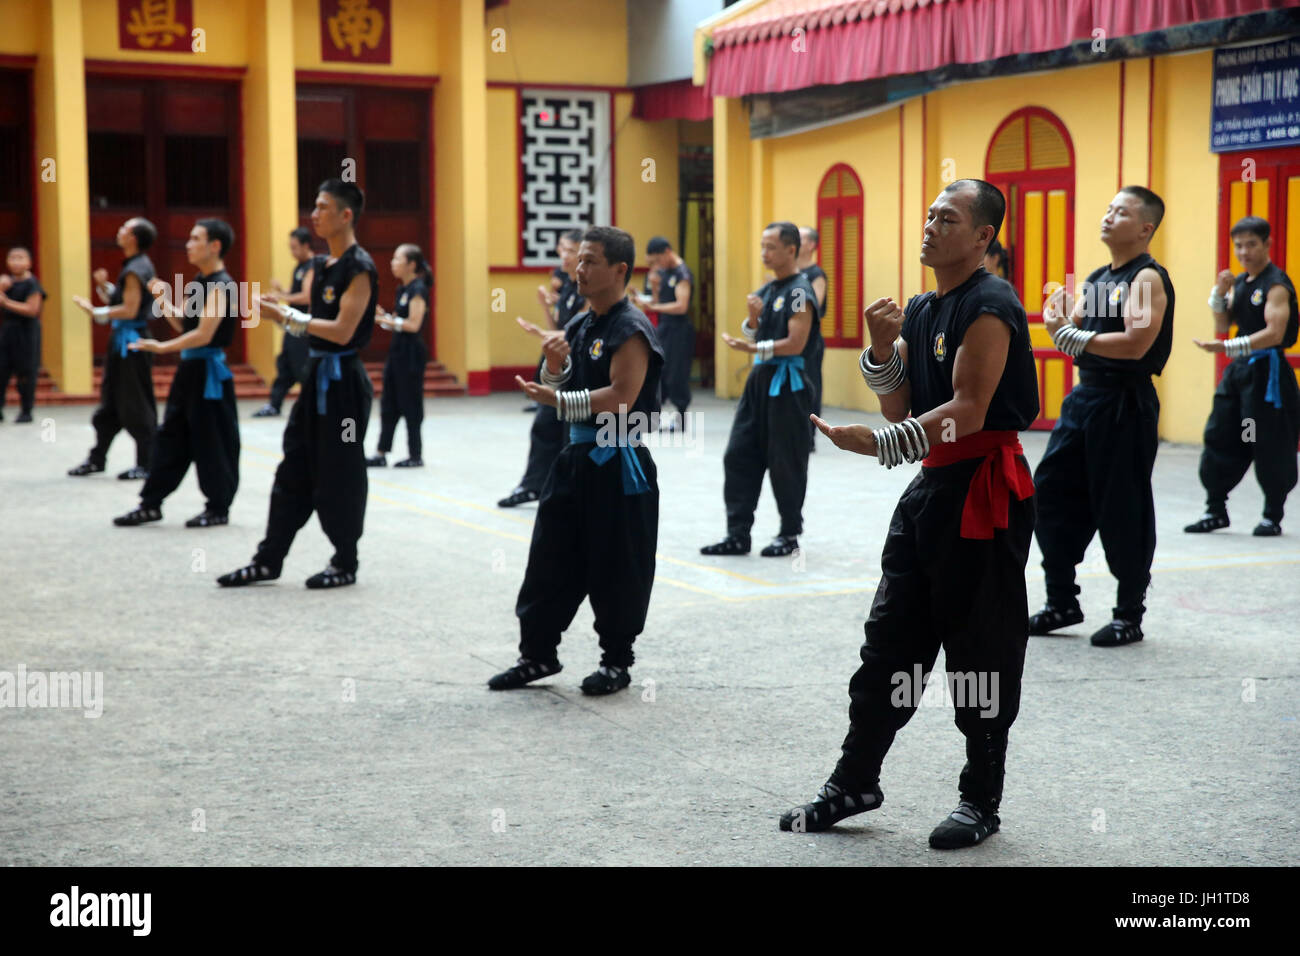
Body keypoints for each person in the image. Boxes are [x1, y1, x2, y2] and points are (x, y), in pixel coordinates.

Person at [780, 179, 1039, 849]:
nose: (929, 226)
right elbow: (901, 408)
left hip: (983, 494)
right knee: (891, 641)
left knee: (981, 650)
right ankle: (854, 779)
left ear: (982, 237)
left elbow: (968, 412)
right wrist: (884, 349)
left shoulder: (991, 302)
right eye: (928, 214)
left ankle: (980, 799)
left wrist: (878, 445)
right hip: (930, 490)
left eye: (947, 219)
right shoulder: (924, 307)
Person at [489, 226, 664, 696]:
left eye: (589, 261)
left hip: (619, 460)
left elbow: (623, 397)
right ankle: (537, 654)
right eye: (578, 260)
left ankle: (616, 661)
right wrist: (551, 366)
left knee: (616, 564)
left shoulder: (632, 328)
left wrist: (557, 398)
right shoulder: (581, 323)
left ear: (619, 271)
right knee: (550, 556)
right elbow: (562, 379)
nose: (578, 269)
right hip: (575, 457)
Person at [1030, 186, 1175, 647]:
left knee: (1123, 505)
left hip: (1124, 403)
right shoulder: (1095, 278)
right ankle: (1062, 601)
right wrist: (1058, 326)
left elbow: (1135, 344)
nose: (1109, 217)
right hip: (1084, 400)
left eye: (1122, 212)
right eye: (1108, 208)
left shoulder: (1147, 278)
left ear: (1145, 228)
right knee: (1050, 493)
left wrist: (1070, 336)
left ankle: (1128, 613)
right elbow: (1069, 333)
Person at [217, 179, 378, 590]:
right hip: (316, 380)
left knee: (339, 472)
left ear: (345, 215)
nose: (315, 214)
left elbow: (342, 332)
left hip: (344, 386)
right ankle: (268, 559)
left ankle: (345, 560)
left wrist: (286, 317)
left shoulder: (360, 266)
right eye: (314, 206)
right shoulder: (321, 266)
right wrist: (287, 313)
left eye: (323, 207)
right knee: (293, 469)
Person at [112, 220, 241, 528]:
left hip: (210, 374)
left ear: (215, 246)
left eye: (195, 239)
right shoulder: (199, 282)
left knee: (212, 440)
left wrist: (161, 347)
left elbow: (204, 335)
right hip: (190, 371)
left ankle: (218, 507)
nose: (188, 244)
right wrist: (161, 299)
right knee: (170, 436)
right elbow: (185, 325)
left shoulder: (223, 284)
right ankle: (151, 503)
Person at [700, 222, 817, 558]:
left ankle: (789, 534)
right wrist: (752, 322)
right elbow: (756, 334)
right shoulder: (768, 289)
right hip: (759, 383)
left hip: (788, 386)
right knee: (739, 455)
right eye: (762, 246)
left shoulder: (798, 290)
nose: (764, 252)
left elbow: (795, 344)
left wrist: (753, 348)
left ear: (791, 250)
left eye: (770, 246)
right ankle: (738, 534)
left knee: (785, 461)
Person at [1185, 216, 1300, 536]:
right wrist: (1218, 295)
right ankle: (1215, 509)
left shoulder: (1276, 284)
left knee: (1269, 442)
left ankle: (1272, 515)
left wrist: (1227, 346)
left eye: (1251, 244)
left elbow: (1275, 333)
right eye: (1238, 245)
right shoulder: (1241, 282)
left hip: (1267, 374)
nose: (1244, 252)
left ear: (1267, 244)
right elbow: (1222, 326)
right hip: (1239, 372)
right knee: (1221, 433)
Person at [499, 228, 585, 507]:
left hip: (575, 370)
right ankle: (532, 485)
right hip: (556, 365)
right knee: (543, 426)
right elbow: (557, 330)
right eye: (561, 248)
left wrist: (540, 333)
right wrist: (545, 309)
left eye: (570, 250)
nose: (563, 255)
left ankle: (566, 490)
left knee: (567, 433)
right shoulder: (568, 288)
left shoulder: (587, 291)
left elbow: (576, 334)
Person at [68, 217, 159, 479]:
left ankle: (146, 462)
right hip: (123, 341)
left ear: (133, 238)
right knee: (110, 403)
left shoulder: (135, 269)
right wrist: (104, 289)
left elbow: (130, 309)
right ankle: (97, 457)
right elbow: (127, 300)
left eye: (124, 229)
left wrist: (96, 311)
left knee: (136, 403)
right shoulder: (134, 266)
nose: (119, 232)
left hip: (131, 343)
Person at [367, 243, 432, 468]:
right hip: (397, 351)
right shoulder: (401, 289)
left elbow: (413, 325)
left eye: (398, 259)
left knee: (410, 402)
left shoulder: (418, 289)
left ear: (411, 264)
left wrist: (388, 321)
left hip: (411, 353)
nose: (393, 263)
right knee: (389, 402)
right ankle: (381, 451)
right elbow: (398, 322)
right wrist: (384, 318)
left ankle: (415, 454)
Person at [252, 228, 316, 418]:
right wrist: (283, 291)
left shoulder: (312, 266)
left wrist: (280, 296)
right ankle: (274, 404)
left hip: (303, 327)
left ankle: (310, 405)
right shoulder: (300, 266)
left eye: (295, 248)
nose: (292, 252)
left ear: (306, 245)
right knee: (284, 364)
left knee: (302, 367)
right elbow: (296, 292)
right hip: (292, 325)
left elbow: (306, 297)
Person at [633, 237, 693, 428]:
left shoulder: (682, 274)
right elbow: (659, 301)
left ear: (667, 251)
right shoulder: (665, 272)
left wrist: (655, 306)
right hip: (664, 326)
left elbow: (681, 306)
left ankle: (681, 415)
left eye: (657, 260)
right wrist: (654, 291)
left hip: (679, 328)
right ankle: (654, 415)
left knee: (676, 373)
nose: (656, 265)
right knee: (658, 369)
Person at [0, 246, 45, 423]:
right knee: (2, 369)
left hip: (26, 332)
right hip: (8, 330)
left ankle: (26, 410)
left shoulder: (33, 284)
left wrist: (6, 302)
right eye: (12, 258)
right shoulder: (5, 283)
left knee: (26, 371)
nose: (16, 262)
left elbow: (33, 309)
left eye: (20, 258)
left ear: (29, 263)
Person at [797, 226, 828, 449]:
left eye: (800, 238)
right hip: (791, 340)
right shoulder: (790, 274)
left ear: (810, 245)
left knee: (810, 387)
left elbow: (813, 306)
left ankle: (809, 436)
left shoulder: (816, 275)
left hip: (810, 342)